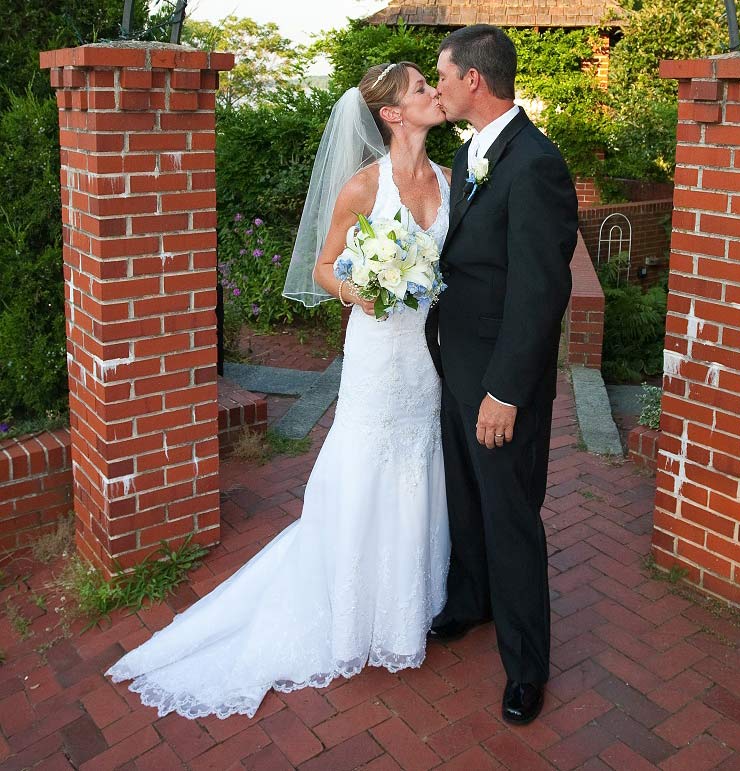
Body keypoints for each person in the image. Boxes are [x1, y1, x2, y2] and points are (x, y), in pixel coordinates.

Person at [105, 62, 453, 720]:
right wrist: (361, 291)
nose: (434, 93)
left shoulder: (449, 181)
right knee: (367, 465)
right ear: (391, 114)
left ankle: (406, 606)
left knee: (417, 463)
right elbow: (323, 266)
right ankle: (349, 611)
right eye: (420, 88)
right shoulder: (364, 187)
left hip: (426, 358)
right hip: (378, 354)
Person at [426, 25, 579, 725]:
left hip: (498, 380)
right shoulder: (469, 154)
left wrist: (505, 391)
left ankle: (526, 667)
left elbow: (540, 292)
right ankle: (471, 601)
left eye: (442, 76)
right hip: (455, 364)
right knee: (465, 497)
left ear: (474, 80)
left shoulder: (537, 164)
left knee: (510, 517)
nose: (437, 88)